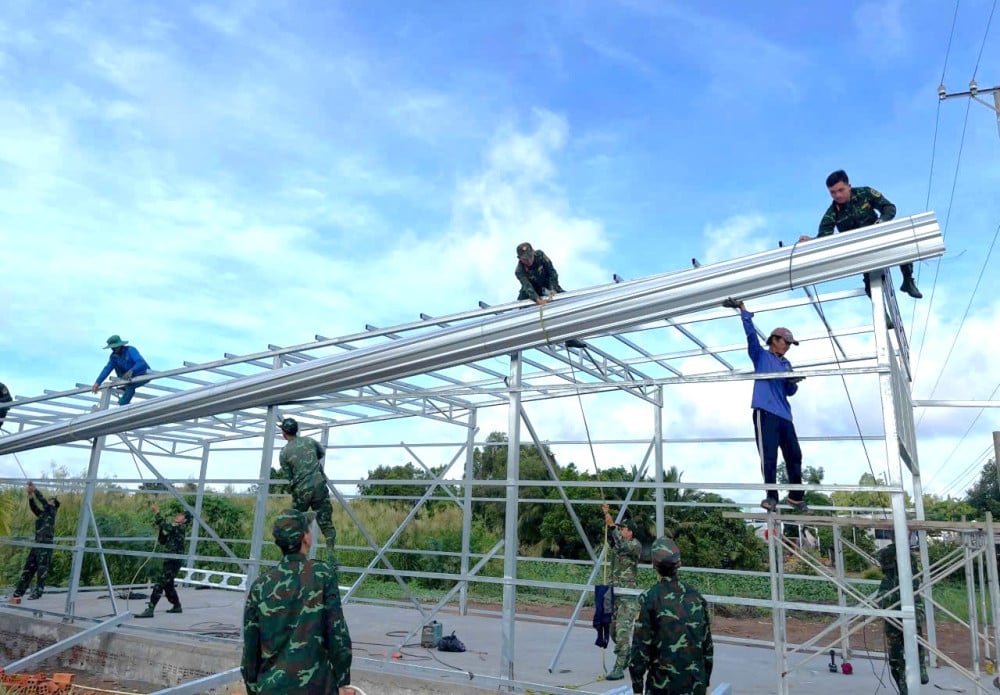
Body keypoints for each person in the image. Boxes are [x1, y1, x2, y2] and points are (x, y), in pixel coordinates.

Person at [241, 509, 352, 694]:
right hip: (317, 687)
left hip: (270, 687)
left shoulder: (261, 584)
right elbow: (337, 634)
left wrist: (252, 687)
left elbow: (251, 646)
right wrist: (343, 681)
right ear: (305, 538)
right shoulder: (322, 575)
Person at [725, 298, 806, 513]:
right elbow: (751, 336)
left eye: (790, 344)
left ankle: (796, 496)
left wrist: (792, 382)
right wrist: (743, 311)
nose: (788, 346)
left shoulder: (786, 364)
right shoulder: (760, 355)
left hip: (785, 415)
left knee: (795, 455)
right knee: (769, 455)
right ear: (774, 339)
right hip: (765, 412)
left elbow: (789, 392)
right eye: (786, 342)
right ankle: (771, 496)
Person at [800, 169, 921, 299]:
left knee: (904, 245)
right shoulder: (832, 213)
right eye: (833, 192)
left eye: (841, 190)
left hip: (878, 236)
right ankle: (884, 317)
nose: (838, 195)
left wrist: (881, 221)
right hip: (861, 250)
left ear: (849, 186)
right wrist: (811, 241)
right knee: (871, 284)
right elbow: (825, 237)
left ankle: (908, 281)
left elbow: (889, 207)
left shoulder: (865, 193)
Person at [629, 536, 713, 695]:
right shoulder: (696, 597)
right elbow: (707, 647)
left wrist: (637, 688)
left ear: (654, 565)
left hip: (662, 687)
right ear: (678, 564)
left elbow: (640, 650)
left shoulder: (649, 598)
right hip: (695, 686)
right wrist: (705, 682)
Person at [278, 417, 337, 551]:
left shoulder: (284, 453)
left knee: (295, 525)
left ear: (284, 433)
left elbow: (289, 476)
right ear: (296, 430)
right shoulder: (310, 441)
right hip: (319, 487)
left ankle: (294, 557)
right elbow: (321, 453)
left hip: (301, 491)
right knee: (327, 527)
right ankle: (330, 559)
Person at [514, 242, 586, 349]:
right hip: (531, 292)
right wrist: (538, 300)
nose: (529, 261)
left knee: (568, 303)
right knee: (522, 311)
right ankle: (526, 336)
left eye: (530, 256)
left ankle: (570, 339)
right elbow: (527, 286)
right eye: (525, 259)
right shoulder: (519, 270)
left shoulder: (540, 256)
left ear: (533, 252)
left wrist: (553, 288)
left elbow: (552, 272)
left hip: (547, 286)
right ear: (519, 258)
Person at [877, 544, 929, 693]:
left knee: (915, 642)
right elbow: (881, 600)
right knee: (895, 657)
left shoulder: (910, 577)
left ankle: (921, 669)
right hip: (893, 619)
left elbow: (917, 603)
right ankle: (902, 686)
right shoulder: (887, 581)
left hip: (907, 618)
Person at [601, 503, 641, 681]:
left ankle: (619, 666)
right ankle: (628, 654)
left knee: (623, 631)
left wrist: (611, 524)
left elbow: (621, 544)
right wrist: (607, 517)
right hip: (613, 593)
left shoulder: (634, 545)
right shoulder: (618, 544)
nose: (621, 530)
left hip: (627, 596)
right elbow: (613, 540)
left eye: (623, 528)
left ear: (630, 532)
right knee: (612, 630)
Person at [136, 503, 192, 618]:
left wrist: (157, 513)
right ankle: (177, 606)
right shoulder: (175, 528)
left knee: (159, 584)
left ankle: (150, 609)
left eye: (181, 515)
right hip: (170, 560)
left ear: (185, 520)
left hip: (174, 561)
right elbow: (162, 540)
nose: (178, 515)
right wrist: (161, 529)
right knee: (168, 586)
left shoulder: (180, 528)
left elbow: (166, 527)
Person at [11, 482, 60, 601]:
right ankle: (19, 592)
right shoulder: (43, 514)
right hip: (37, 544)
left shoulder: (52, 512)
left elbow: (43, 502)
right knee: (29, 568)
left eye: (51, 501)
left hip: (45, 545)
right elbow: (34, 507)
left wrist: (35, 490)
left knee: (42, 570)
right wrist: (31, 495)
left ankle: (37, 593)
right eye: (49, 500)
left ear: (54, 505)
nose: (48, 502)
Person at [91, 335, 151, 405]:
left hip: (142, 374)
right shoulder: (113, 357)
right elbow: (107, 368)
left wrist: (132, 371)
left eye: (114, 347)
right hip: (128, 378)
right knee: (128, 383)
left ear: (120, 345)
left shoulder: (130, 350)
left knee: (130, 386)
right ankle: (125, 385)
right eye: (112, 348)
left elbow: (140, 362)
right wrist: (98, 382)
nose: (113, 349)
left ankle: (122, 404)